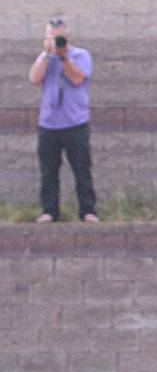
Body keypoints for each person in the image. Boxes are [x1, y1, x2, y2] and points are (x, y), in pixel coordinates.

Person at [27, 17, 98, 223]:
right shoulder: (44, 57)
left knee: (82, 169)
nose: (55, 41)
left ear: (67, 37)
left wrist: (64, 57)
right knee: (48, 171)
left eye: (58, 37)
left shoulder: (81, 55)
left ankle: (88, 211)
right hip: (49, 124)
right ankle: (49, 211)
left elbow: (77, 79)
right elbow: (33, 79)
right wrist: (48, 56)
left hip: (75, 123)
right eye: (50, 36)